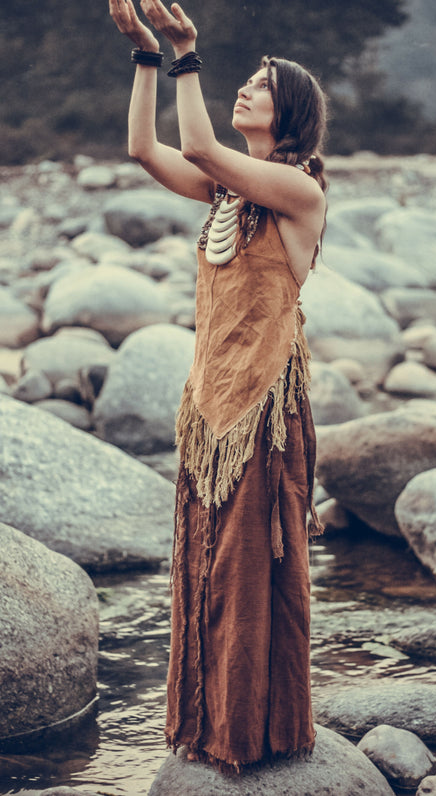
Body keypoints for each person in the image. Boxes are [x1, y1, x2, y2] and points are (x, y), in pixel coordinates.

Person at [109, 0, 327, 772]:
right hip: (210, 410)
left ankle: (260, 736)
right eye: (243, 81)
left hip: (264, 414)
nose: (244, 90)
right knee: (202, 565)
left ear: (289, 112)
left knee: (250, 573)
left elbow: (196, 143)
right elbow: (145, 148)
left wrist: (186, 50)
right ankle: (204, 732)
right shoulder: (229, 197)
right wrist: (144, 56)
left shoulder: (295, 192)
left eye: (259, 86)